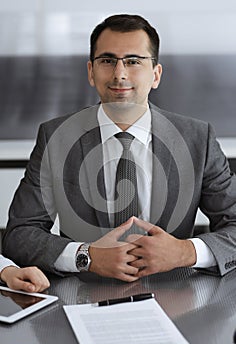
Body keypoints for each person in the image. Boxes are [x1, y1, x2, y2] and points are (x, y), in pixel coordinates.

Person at [3, 14, 236, 282]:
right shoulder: (55, 137)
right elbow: (20, 234)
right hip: (83, 299)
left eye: (134, 61)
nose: (120, 73)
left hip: (177, 299)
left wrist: (186, 252)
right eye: (107, 60)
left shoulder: (197, 139)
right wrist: (86, 256)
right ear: (91, 72)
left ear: (156, 74)